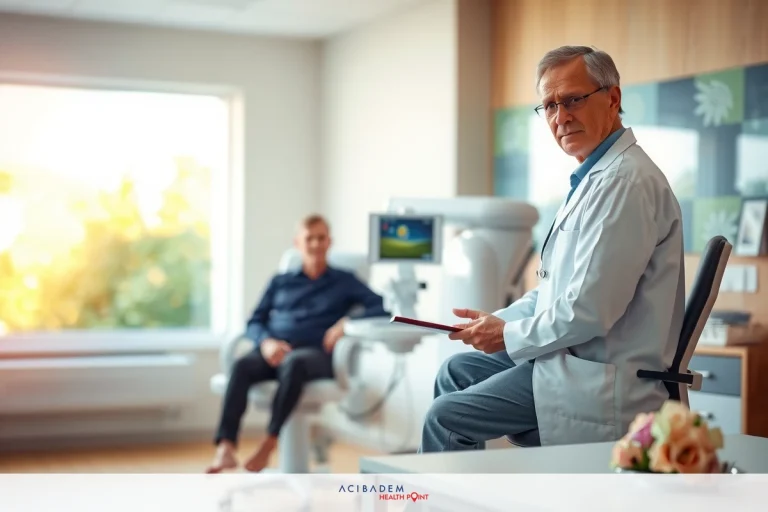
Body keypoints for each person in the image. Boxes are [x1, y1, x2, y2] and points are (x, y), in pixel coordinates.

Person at [419, 45, 686, 452]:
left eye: (573, 100)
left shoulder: (625, 184)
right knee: (456, 371)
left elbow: (589, 311)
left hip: (598, 376)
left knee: (446, 418)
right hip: (572, 357)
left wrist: (506, 334)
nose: (561, 117)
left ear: (612, 98)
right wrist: (494, 323)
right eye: (548, 106)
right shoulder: (596, 177)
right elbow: (554, 293)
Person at [207, 214, 388, 473]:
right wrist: (267, 342)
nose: (315, 244)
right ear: (297, 243)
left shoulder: (344, 280)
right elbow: (255, 320)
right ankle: (226, 447)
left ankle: (269, 443)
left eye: (321, 238)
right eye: (309, 238)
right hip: (275, 349)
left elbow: (381, 306)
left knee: (293, 363)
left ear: (329, 242)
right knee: (242, 365)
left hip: (315, 354)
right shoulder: (280, 281)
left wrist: (345, 323)